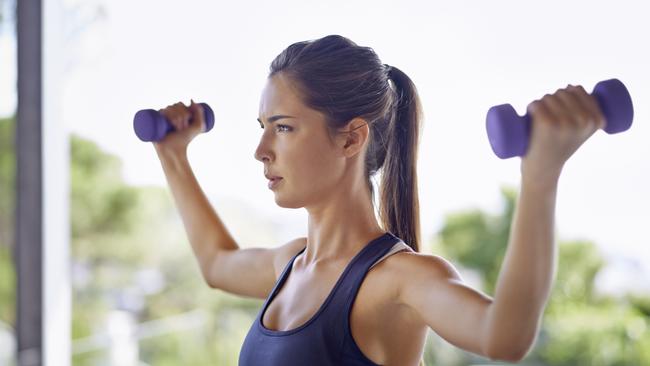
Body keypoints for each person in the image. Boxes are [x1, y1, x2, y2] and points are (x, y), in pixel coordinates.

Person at [152, 34, 605, 366]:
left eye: (284, 127)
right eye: (262, 126)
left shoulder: (399, 279)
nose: (261, 150)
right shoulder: (291, 264)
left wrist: (540, 176)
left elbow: (505, 336)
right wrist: (173, 156)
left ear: (351, 139)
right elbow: (216, 263)